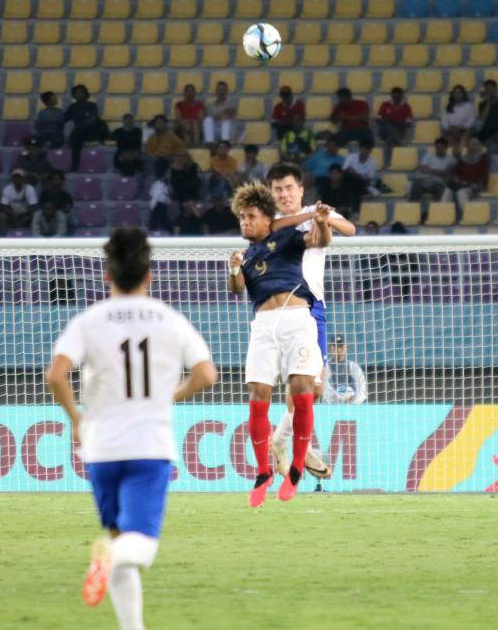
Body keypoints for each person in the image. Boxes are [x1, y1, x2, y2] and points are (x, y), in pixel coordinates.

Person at [44, 229, 216, 626]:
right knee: (139, 548)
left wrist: (76, 419)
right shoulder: (168, 319)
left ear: (108, 275)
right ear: (148, 276)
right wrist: (171, 394)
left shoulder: (89, 320)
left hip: (101, 449)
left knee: (121, 538)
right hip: (148, 448)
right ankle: (108, 555)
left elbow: (55, 374)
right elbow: (207, 374)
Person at [228, 183, 331, 507]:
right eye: (242, 218)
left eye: (251, 216)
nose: (245, 223)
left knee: (302, 390)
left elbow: (319, 239)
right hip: (263, 326)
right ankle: (263, 473)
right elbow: (236, 290)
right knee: (258, 395)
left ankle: (297, 468)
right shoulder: (246, 255)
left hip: (297, 318)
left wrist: (324, 222)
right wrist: (233, 269)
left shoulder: (286, 237)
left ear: (266, 218)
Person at [266, 164, 355, 479]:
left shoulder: (313, 212)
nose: (284, 194)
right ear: (271, 193)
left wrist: (322, 217)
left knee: (312, 387)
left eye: (289, 188)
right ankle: (284, 442)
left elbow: (350, 229)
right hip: (283, 309)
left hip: (314, 308)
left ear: (300, 189)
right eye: (278, 190)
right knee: (302, 382)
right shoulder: (272, 223)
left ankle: (282, 440)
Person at [65, 84, 108, 171]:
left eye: (82, 92)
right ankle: (75, 165)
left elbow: (93, 119)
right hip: (80, 134)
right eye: (77, 92)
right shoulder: (72, 107)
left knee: (80, 129)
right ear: (74, 95)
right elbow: (63, 119)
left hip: (92, 131)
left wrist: (84, 124)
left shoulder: (92, 105)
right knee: (78, 134)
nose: (80, 94)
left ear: (86, 94)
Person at [322, 335, 368, 404]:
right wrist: (342, 400)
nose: (338, 350)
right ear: (330, 348)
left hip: (353, 408)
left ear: (346, 347)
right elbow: (326, 391)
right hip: (332, 408)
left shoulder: (354, 367)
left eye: (341, 346)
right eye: (335, 346)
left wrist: (353, 402)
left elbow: (362, 389)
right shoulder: (326, 368)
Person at [409, 137, 456, 202]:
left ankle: (439, 210)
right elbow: (423, 169)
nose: (439, 150)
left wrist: (431, 171)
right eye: (437, 148)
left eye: (442, 148)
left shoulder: (451, 160)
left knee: (444, 189)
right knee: (416, 183)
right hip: (425, 181)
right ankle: (413, 208)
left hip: (440, 183)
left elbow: (449, 174)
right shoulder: (428, 156)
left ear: (446, 148)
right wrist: (440, 172)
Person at [376, 86, 412, 162]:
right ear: (391, 96)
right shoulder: (385, 104)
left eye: (398, 97)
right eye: (394, 97)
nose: (396, 99)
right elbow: (378, 120)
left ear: (401, 96)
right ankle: (397, 139)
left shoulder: (406, 107)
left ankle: (389, 162)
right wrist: (390, 122)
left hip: (399, 132)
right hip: (384, 132)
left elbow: (408, 124)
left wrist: (393, 122)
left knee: (390, 140)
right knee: (388, 125)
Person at [440, 85, 476, 150]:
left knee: (466, 135)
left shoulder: (469, 107)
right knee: (447, 136)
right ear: (453, 94)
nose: (457, 94)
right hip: (451, 130)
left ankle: (460, 152)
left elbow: (471, 121)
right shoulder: (448, 107)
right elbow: (444, 122)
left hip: (464, 130)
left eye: (459, 92)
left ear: (463, 94)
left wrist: (461, 127)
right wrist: (450, 128)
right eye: (455, 92)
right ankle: (455, 153)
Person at [474, 79, 498, 146]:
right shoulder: (482, 104)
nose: (489, 91)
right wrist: (488, 102)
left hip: (497, 131)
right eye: (487, 89)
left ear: (496, 89)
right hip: (485, 132)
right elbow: (482, 119)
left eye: (491, 88)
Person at [202, 81, 237, 145]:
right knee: (207, 120)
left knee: (226, 121)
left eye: (223, 90)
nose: (221, 92)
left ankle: (225, 143)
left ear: (226, 91)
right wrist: (222, 114)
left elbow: (230, 112)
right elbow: (210, 118)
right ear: (216, 91)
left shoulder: (231, 103)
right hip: (215, 129)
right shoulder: (210, 105)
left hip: (227, 130)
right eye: (219, 90)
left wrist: (218, 116)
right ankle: (210, 143)